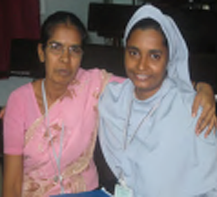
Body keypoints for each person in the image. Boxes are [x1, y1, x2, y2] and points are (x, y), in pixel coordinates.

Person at [2, 10, 216, 197]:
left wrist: (201, 87)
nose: (65, 59)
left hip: (85, 192)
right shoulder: (19, 101)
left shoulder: (93, 84)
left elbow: (148, 82)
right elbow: (10, 184)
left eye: (74, 50)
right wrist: (15, 111)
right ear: (42, 52)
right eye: (56, 47)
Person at [98, 4, 217, 197]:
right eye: (134, 53)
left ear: (169, 59)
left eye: (154, 56)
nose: (141, 65)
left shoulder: (193, 110)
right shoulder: (112, 98)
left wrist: (205, 89)